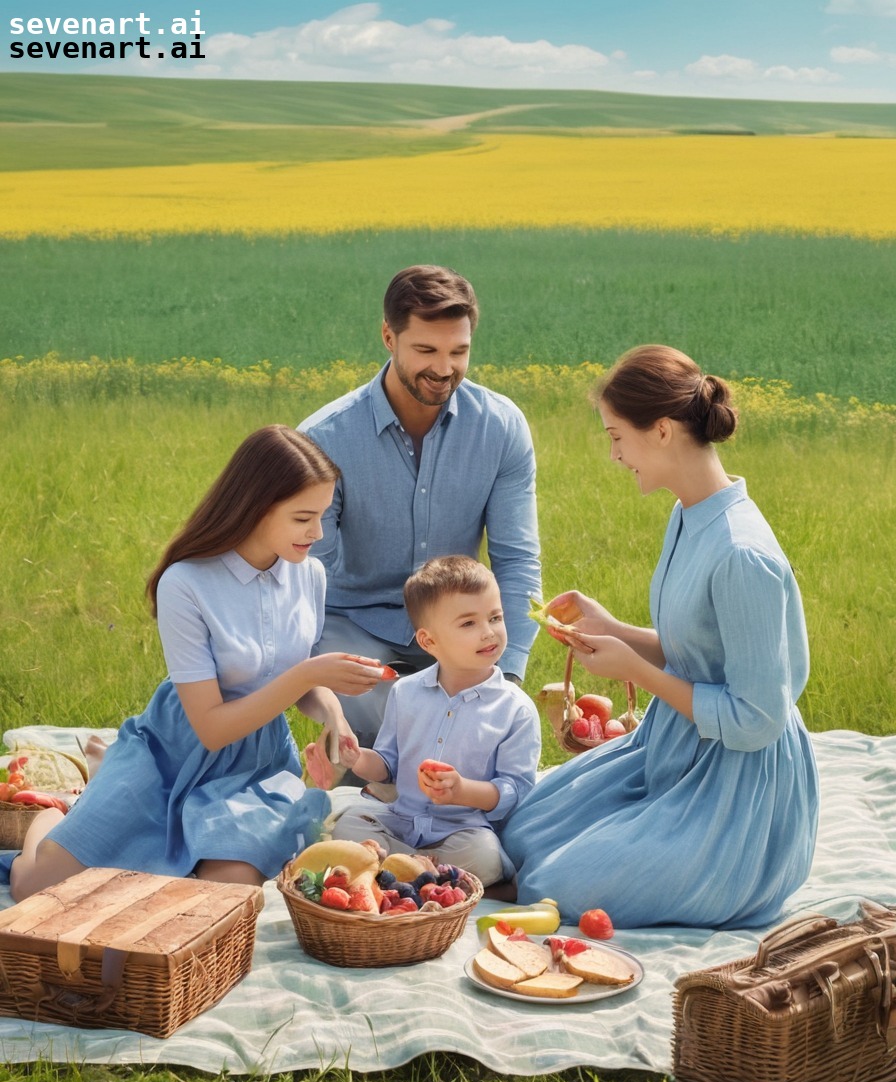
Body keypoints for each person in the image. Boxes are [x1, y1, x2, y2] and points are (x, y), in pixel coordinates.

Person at [501, 345, 819, 930]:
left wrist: (635, 670)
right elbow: (704, 652)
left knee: (550, 884)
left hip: (739, 791)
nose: (616, 456)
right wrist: (613, 630)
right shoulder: (688, 514)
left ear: (665, 430)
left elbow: (756, 718)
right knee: (522, 832)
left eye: (617, 437)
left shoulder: (741, 555)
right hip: (673, 746)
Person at [9, 426, 387, 902]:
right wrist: (310, 675)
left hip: (255, 763)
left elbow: (299, 676)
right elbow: (210, 727)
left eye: (324, 515)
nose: (318, 533)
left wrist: (333, 714)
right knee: (41, 890)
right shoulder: (185, 583)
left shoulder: (309, 574)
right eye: (303, 518)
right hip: (172, 750)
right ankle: (63, 814)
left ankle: (113, 783)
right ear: (256, 507)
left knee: (220, 897)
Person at [298, 264, 542, 753]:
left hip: (458, 624)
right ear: (388, 337)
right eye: (426, 350)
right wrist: (313, 678)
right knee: (408, 728)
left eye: (459, 351)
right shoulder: (324, 439)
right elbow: (304, 582)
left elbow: (516, 561)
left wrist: (507, 674)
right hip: (353, 626)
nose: (444, 368)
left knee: (477, 734)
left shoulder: (501, 428)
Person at [304, 556, 541, 889]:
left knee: (485, 855)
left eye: (495, 617)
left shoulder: (515, 709)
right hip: (400, 821)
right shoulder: (406, 692)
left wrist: (462, 791)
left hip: (462, 831)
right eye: (468, 624)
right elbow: (387, 766)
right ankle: (430, 874)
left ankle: (393, 870)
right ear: (429, 641)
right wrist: (357, 758)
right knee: (350, 824)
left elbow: (515, 791)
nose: (489, 632)